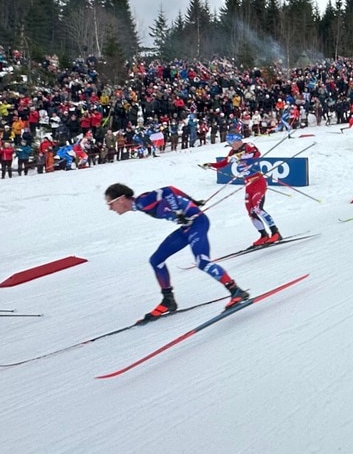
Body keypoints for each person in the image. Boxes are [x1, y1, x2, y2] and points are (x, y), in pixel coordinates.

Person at [104, 182, 250, 321]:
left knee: (202, 262)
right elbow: (172, 190)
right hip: (186, 229)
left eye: (111, 203)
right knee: (156, 260)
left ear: (122, 199)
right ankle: (168, 299)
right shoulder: (140, 205)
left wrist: (180, 211)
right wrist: (191, 201)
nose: (110, 208)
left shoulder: (143, 201)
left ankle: (236, 290)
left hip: (198, 224)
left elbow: (168, 190)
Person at [200, 132, 281, 247]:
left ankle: (275, 232)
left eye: (231, 143)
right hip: (248, 184)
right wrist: (211, 165)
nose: (231, 146)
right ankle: (263, 235)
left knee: (258, 208)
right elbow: (224, 162)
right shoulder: (232, 152)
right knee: (250, 211)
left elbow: (257, 154)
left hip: (258, 181)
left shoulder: (248, 146)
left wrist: (240, 157)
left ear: (237, 141)